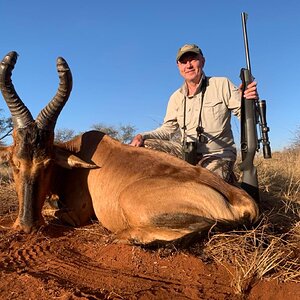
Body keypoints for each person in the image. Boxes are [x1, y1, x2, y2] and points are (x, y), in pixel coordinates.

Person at [130, 44, 258, 183]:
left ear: (202, 61)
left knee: (205, 186)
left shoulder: (222, 84)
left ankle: (226, 178)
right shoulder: (176, 97)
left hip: (217, 155)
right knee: (144, 145)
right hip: (186, 153)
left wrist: (249, 102)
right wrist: (141, 136)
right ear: (178, 66)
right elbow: (167, 130)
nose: (188, 65)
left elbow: (249, 118)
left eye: (193, 59)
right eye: (184, 62)